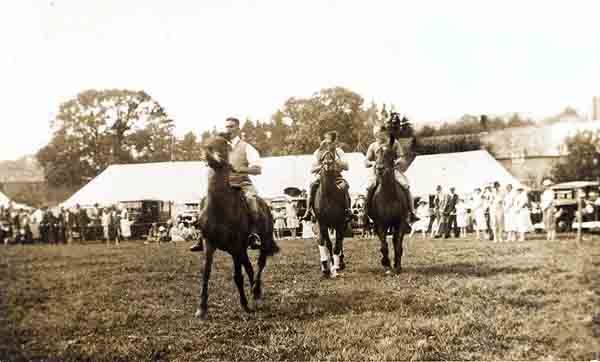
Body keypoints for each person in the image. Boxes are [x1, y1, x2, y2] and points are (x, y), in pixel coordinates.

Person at [190, 117, 264, 252]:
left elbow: (258, 170)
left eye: (231, 127)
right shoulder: (218, 147)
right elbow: (208, 161)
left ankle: (254, 234)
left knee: (252, 200)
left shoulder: (247, 147)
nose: (228, 129)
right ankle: (202, 237)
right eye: (226, 127)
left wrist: (240, 169)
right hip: (222, 186)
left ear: (238, 128)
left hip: (242, 184)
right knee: (204, 201)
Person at [362, 124, 418, 227]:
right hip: (377, 172)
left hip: (392, 170)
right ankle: (366, 214)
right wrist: (372, 163)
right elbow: (366, 161)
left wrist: (397, 161)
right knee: (369, 187)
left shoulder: (394, 143)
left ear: (384, 133)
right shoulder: (373, 146)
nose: (377, 136)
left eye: (379, 134)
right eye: (376, 135)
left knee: (405, 185)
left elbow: (402, 157)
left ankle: (411, 212)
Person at [300, 130, 353, 222]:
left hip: (336, 177)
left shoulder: (339, 152)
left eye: (332, 142)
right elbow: (312, 169)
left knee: (344, 186)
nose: (330, 143)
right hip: (321, 177)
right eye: (328, 141)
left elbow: (347, 167)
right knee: (312, 186)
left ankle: (348, 210)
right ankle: (308, 211)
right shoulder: (318, 152)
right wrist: (322, 166)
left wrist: (335, 160)